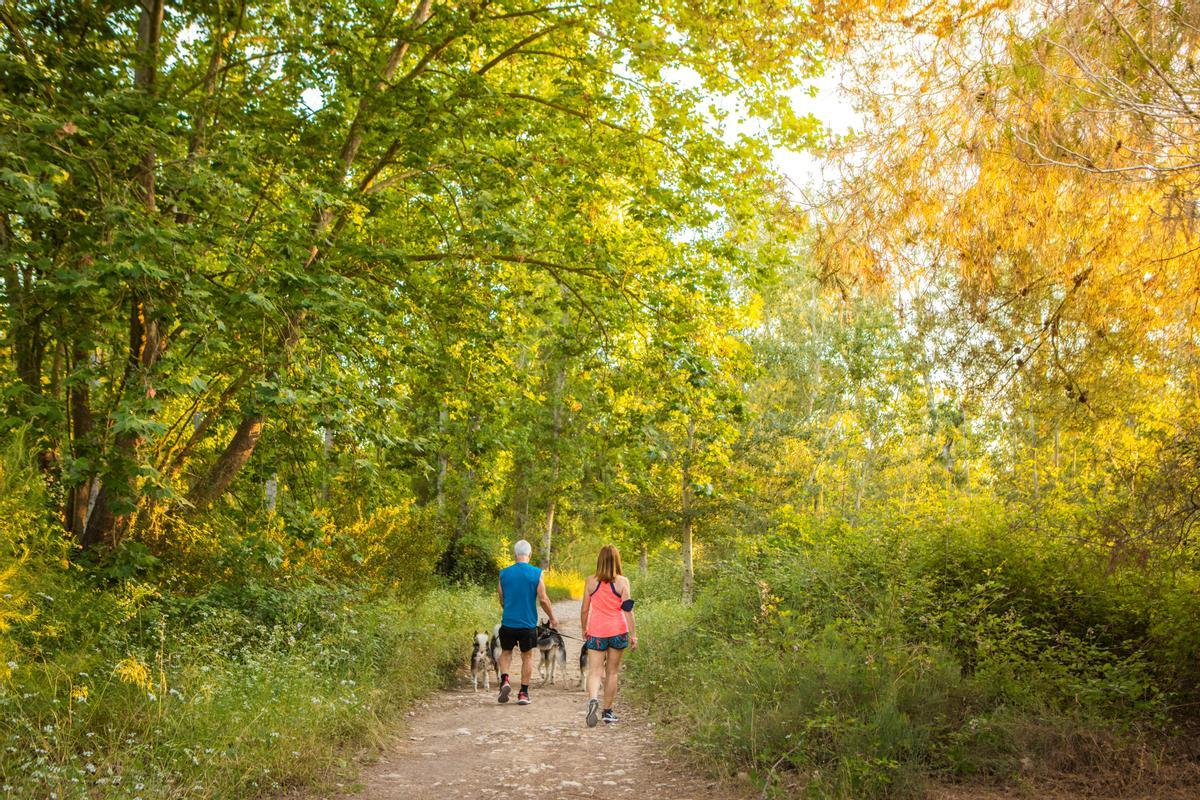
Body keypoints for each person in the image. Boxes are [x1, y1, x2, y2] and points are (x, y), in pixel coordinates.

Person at [580, 544, 637, 727]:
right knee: (612, 672)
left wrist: (584, 629)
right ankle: (607, 711)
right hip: (618, 631)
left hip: (596, 632)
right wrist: (633, 635)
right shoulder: (622, 582)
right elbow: (628, 611)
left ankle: (593, 699)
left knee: (595, 671)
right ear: (617, 560)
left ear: (600, 560)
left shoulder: (590, 581)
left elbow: (584, 610)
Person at [497, 539, 558, 705]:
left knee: (506, 652)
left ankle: (505, 680)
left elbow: (502, 598)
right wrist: (552, 617)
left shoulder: (503, 574)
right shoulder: (536, 573)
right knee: (527, 656)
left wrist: (509, 607)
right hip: (528, 625)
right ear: (529, 555)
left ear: (515, 555)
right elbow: (544, 600)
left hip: (508, 622)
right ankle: (523, 693)